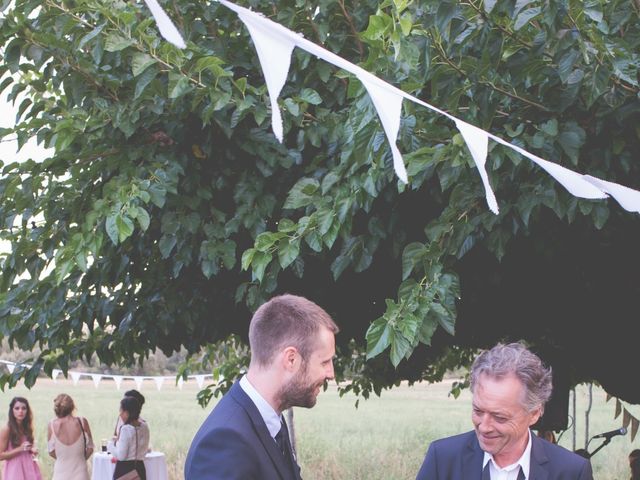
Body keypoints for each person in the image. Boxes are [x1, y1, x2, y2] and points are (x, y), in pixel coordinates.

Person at [184, 293, 339, 480]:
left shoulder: (269, 419)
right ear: (291, 359)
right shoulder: (225, 443)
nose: (331, 374)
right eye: (324, 362)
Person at [416, 342, 593, 479]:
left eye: (499, 417)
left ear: (534, 414)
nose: (484, 427)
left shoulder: (571, 472)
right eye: (478, 411)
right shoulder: (442, 459)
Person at [47, 393, 94, 480]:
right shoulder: (82, 422)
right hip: (81, 473)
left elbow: (51, 451)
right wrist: (80, 459)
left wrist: (64, 458)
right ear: (72, 407)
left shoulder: (52, 425)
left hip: (60, 474)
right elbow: (90, 448)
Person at [0, 396, 43, 479]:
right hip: (15, 469)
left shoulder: (27, 427)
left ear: (27, 411)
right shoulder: (7, 429)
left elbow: (26, 447)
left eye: (24, 408)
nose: (21, 411)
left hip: (29, 467)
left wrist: (32, 450)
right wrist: (20, 449)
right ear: (12, 411)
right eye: (17, 408)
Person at [112, 396, 150, 480]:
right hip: (140, 469)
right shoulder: (145, 426)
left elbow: (121, 456)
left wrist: (110, 445)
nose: (120, 414)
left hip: (125, 470)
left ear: (127, 413)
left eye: (121, 411)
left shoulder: (126, 429)